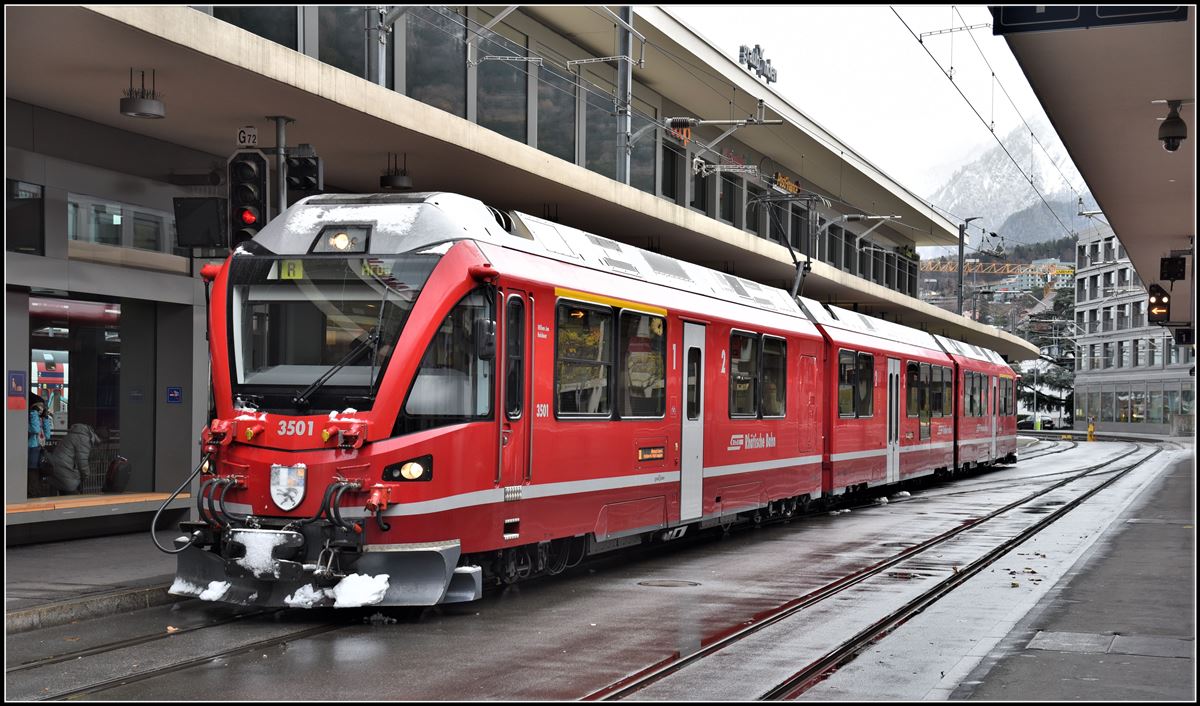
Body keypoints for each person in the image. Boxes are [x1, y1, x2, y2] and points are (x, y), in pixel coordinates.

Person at [48, 422, 99, 495]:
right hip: (65, 470)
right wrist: (86, 475)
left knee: (63, 494)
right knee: (72, 496)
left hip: (56, 468)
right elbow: (82, 462)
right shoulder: (84, 439)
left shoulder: (72, 435)